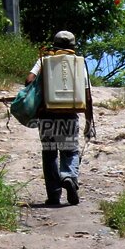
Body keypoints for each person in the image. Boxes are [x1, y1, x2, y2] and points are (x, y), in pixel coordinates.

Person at [25, 30, 95, 206]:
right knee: (70, 150)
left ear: (55, 44)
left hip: (47, 115)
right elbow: (87, 97)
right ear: (73, 46)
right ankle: (69, 177)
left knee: (49, 154)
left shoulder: (44, 60)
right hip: (69, 115)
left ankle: (54, 195)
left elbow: (28, 80)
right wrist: (89, 122)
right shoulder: (78, 64)